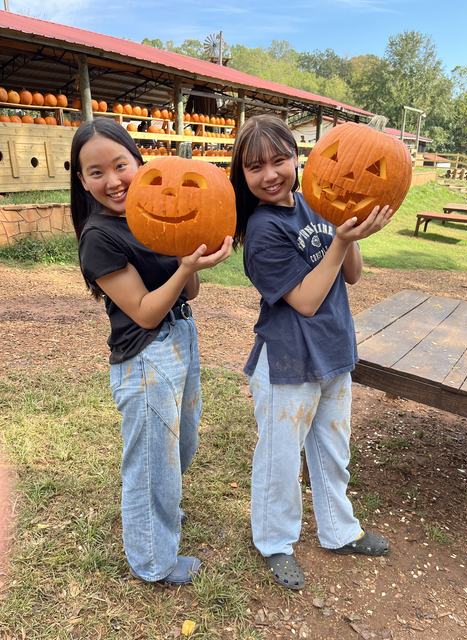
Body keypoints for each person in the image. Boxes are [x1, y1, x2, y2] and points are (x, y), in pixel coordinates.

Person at [230, 114, 391, 591]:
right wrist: (339, 240)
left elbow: (352, 276)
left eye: (280, 159)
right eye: (256, 166)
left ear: (297, 159)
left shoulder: (317, 202)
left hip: (332, 349)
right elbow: (304, 300)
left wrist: (349, 229)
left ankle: (339, 531)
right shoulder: (261, 231)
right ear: (242, 175)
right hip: (286, 362)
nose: (271, 173)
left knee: (332, 451)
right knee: (280, 460)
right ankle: (275, 543)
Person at [70, 117, 232, 585]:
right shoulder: (99, 237)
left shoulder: (154, 214)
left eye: (121, 165)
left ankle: (162, 517)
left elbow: (190, 292)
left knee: (181, 447)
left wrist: (192, 261)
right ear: (81, 180)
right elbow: (143, 311)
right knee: (149, 466)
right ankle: (153, 561)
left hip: (182, 337)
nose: (113, 180)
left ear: (138, 162)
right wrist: (183, 269)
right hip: (145, 357)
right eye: (96, 172)